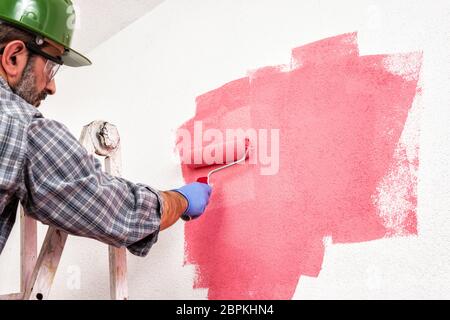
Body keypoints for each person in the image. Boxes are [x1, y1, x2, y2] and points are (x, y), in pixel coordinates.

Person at [0, 0, 212, 257]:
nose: (52, 87)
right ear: (13, 57)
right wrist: (182, 200)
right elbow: (118, 211)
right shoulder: (22, 128)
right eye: (51, 66)